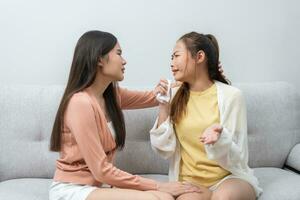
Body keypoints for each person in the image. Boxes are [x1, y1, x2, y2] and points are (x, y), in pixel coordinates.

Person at [48, 30, 203, 200]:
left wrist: (206, 76)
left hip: (99, 186)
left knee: (163, 197)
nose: (124, 61)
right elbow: (101, 170)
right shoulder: (80, 103)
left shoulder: (112, 96)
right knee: (158, 197)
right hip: (73, 189)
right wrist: (160, 186)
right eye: (119, 54)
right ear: (99, 59)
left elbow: (155, 96)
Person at [150, 32, 263, 200]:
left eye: (176, 56)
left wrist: (219, 138)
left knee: (223, 198)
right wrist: (163, 107)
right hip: (190, 183)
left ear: (200, 56)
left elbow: (238, 157)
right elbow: (163, 149)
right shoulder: (173, 95)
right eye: (171, 57)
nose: (171, 63)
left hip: (229, 179)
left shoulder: (232, 96)